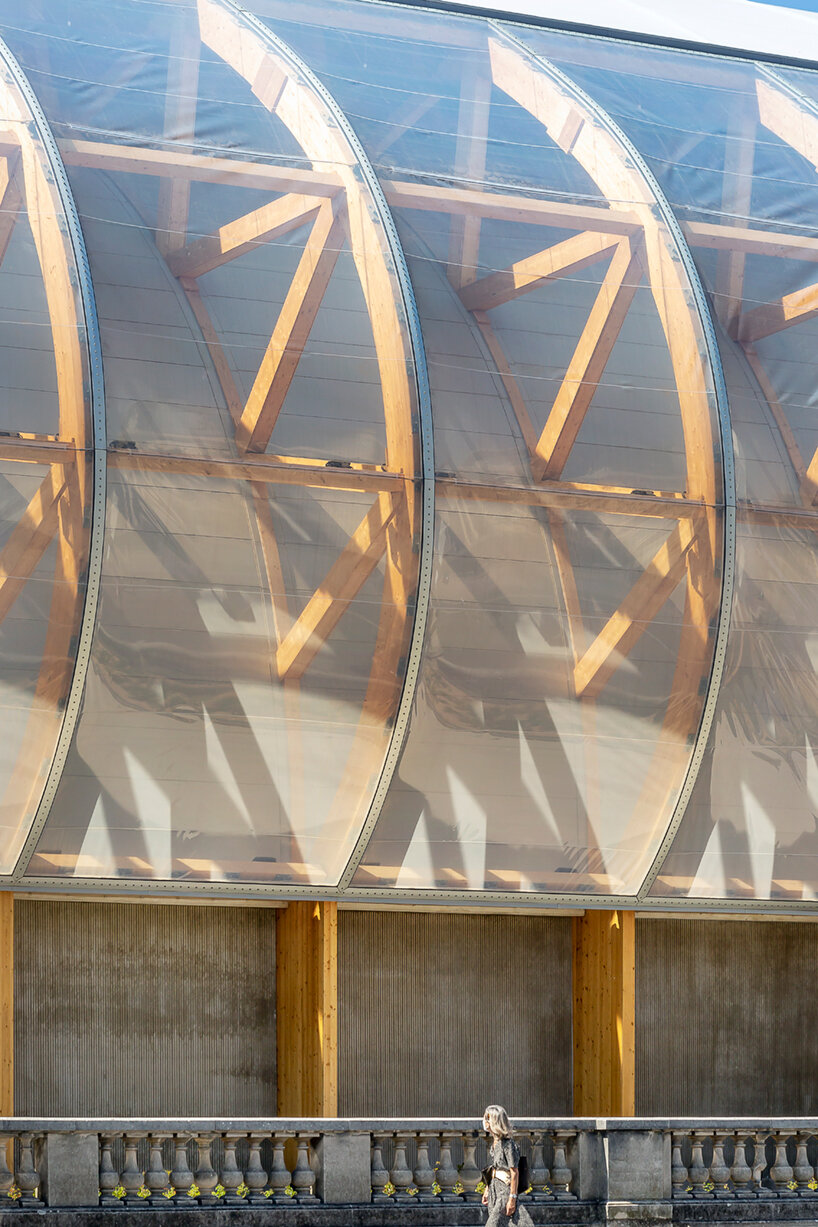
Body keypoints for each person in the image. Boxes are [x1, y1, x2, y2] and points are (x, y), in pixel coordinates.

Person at [481, 1105, 534, 1225]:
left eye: (486, 1118)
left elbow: (514, 1172)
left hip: (504, 1192)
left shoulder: (508, 1144)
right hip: (494, 1190)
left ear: (493, 1121)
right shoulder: (495, 1142)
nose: (484, 1121)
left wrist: (512, 1198)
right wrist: (487, 1190)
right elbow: (494, 1169)